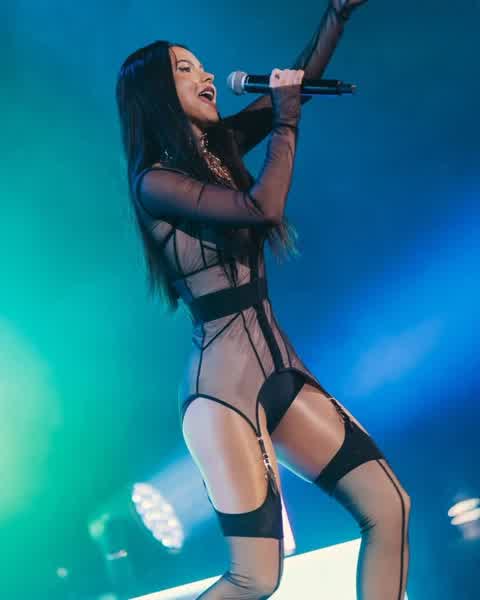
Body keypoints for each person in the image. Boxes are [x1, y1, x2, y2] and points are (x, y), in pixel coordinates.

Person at [116, 0, 411, 597]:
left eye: (201, 65)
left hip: (282, 373)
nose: (205, 74)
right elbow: (263, 208)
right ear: (156, 94)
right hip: (221, 394)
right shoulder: (156, 182)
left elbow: (293, 83)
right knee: (255, 578)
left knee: (389, 505)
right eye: (184, 69)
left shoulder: (218, 151)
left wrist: (337, 14)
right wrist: (286, 121)